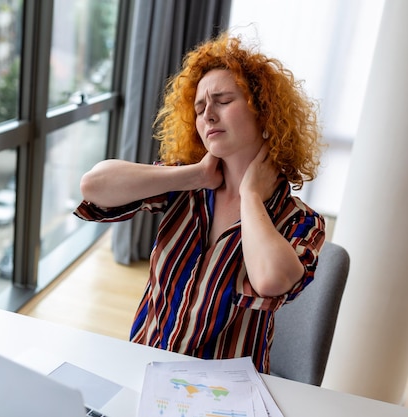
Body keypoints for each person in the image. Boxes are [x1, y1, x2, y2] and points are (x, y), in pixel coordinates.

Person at [74, 32, 326, 374]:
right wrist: (193, 176)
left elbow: (270, 280)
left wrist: (250, 195)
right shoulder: (184, 186)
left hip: (223, 391)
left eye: (222, 100)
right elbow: (94, 186)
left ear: (264, 112)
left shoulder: (300, 221)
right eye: (199, 107)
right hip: (143, 366)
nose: (207, 115)